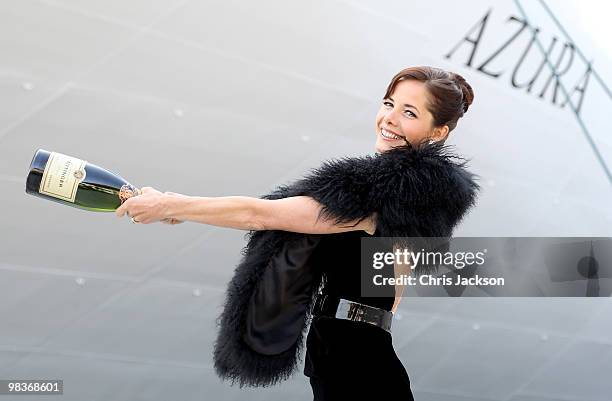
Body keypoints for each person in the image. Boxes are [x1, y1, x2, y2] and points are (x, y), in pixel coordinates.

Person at [116, 66, 476, 400]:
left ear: (438, 132)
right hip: (355, 354)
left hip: (356, 364)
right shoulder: (415, 201)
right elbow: (392, 296)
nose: (390, 119)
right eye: (389, 103)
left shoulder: (384, 193)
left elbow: (260, 215)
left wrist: (170, 205)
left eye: (410, 113)